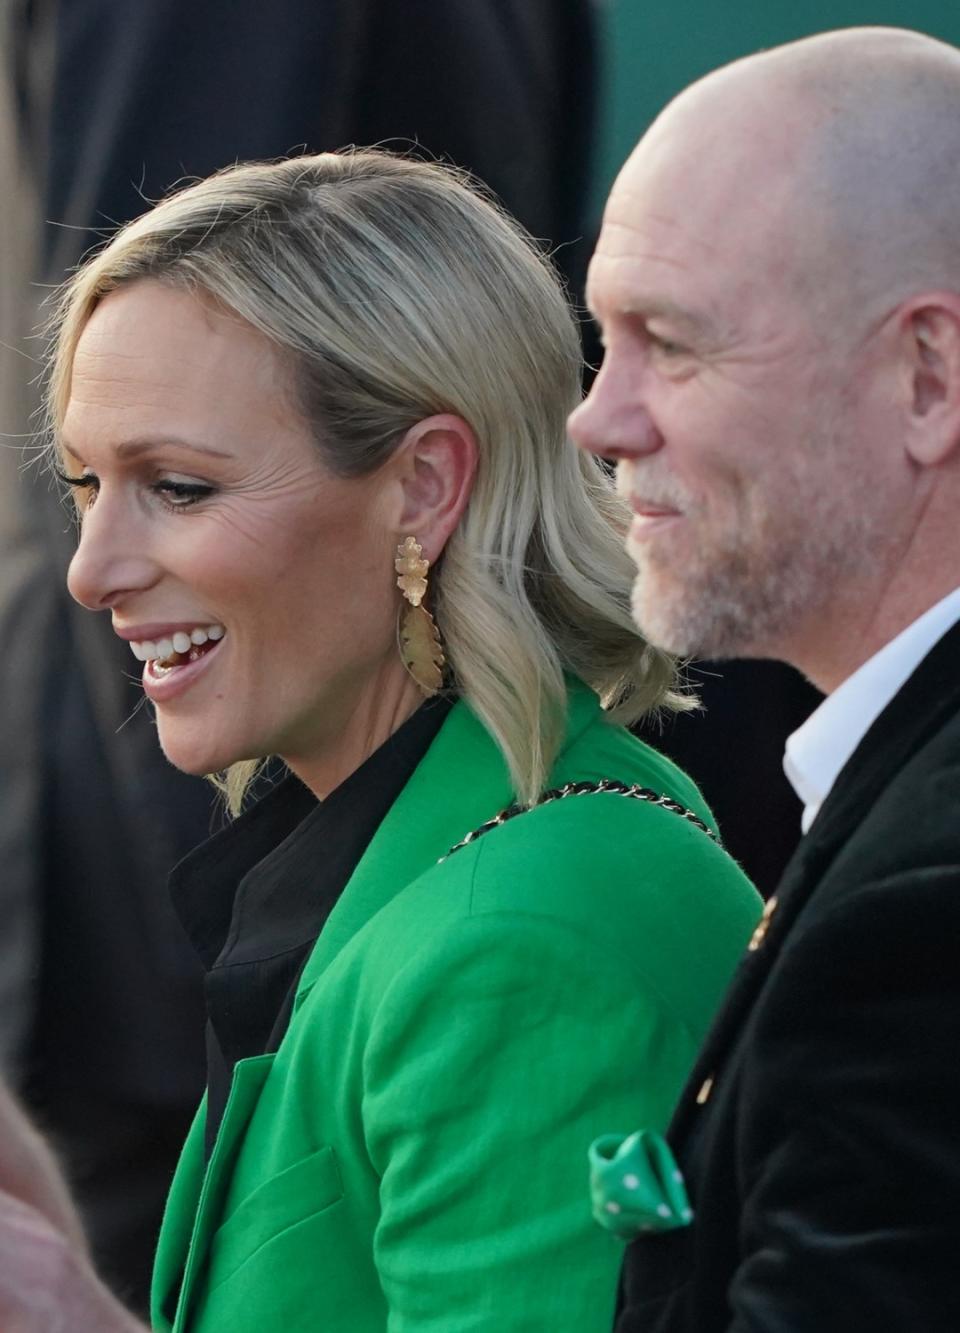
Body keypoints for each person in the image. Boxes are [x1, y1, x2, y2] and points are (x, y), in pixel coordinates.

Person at [0, 150, 759, 1332]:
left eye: (181, 487)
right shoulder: (426, 864)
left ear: (421, 486)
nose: (95, 572)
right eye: (89, 484)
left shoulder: (525, 936)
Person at [569, 24, 960, 1333]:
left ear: (930, 378)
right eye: (601, 340)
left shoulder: (920, 913)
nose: (600, 418)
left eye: (668, 343)